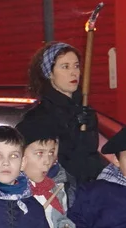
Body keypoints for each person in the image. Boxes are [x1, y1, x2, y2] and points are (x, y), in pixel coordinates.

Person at [21, 43, 108, 185]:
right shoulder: (39, 117)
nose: (74, 73)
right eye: (65, 67)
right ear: (49, 73)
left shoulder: (84, 108)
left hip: (90, 188)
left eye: (76, 66)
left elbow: (92, 156)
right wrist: (72, 129)